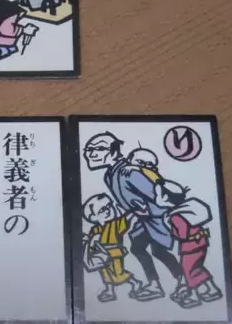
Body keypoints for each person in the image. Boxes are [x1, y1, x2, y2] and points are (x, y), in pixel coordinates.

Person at [83, 132, 184, 301]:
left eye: (98, 149)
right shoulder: (109, 175)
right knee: (138, 249)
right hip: (141, 221)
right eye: (89, 150)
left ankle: (182, 280)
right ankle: (155, 284)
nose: (91, 154)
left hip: (156, 220)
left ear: (114, 151)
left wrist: (148, 211)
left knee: (159, 251)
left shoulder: (129, 172)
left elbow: (159, 196)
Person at [155, 180, 223, 308]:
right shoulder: (188, 209)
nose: (155, 197)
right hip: (201, 243)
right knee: (196, 268)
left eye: (157, 194)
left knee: (188, 270)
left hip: (190, 247)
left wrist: (173, 232)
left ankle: (193, 296)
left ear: (165, 197)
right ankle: (212, 289)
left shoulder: (175, 216)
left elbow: (182, 234)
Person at [82, 193, 143, 302]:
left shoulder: (114, 224)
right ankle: (110, 290)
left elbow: (125, 220)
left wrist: (134, 212)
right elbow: (91, 242)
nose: (107, 210)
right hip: (101, 255)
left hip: (114, 254)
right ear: (93, 217)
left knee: (118, 273)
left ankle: (135, 282)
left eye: (109, 206)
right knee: (105, 273)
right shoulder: (95, 229)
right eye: (102, 210)